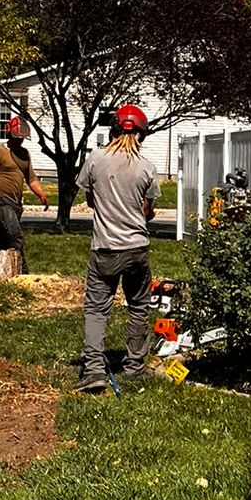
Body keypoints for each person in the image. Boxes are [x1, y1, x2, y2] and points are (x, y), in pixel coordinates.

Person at [74, 104, 158, 393]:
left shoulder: (95, 160)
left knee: (97, 309)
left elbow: (91, 201)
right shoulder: (147, 168)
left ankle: (94, 370)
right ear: (142, 134)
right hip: (137, 249)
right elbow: (147, 212)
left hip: (105, 249)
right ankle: (134, 367)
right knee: (138, 306)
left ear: (114, 129)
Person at [0, 114, 49, 272]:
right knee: (15, 235)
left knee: (4, 240)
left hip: (16, 204)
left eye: (22, 138)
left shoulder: (24, 154)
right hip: (0, 200)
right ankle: (24, 271)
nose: (19, 141)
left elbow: (31, 177)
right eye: (17, 137)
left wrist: (41, 194)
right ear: (9, 134)